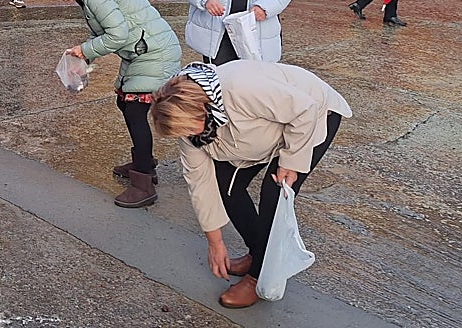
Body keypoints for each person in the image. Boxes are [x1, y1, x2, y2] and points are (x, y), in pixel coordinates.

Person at [150, 61, 351, 309]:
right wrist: (215, 242)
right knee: (226, 185)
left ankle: (258, 277)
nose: (188, 136)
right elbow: (199, 182)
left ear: (202, 108)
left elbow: (304, 109)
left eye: (190, 128)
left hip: (312, 115)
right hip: (262, 131)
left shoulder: (240, 88)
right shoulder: (191, 128)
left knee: (274, 193)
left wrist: (291, 162)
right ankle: (258, 253)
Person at [44, 0, 182, 208]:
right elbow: (103, 32)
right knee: (125, 103)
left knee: (135, 111)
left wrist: (86, 50)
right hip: (141, 51)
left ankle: (144, 184)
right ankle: (143, 162)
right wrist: (84, 55)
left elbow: (118, 35)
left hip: (155, 53)